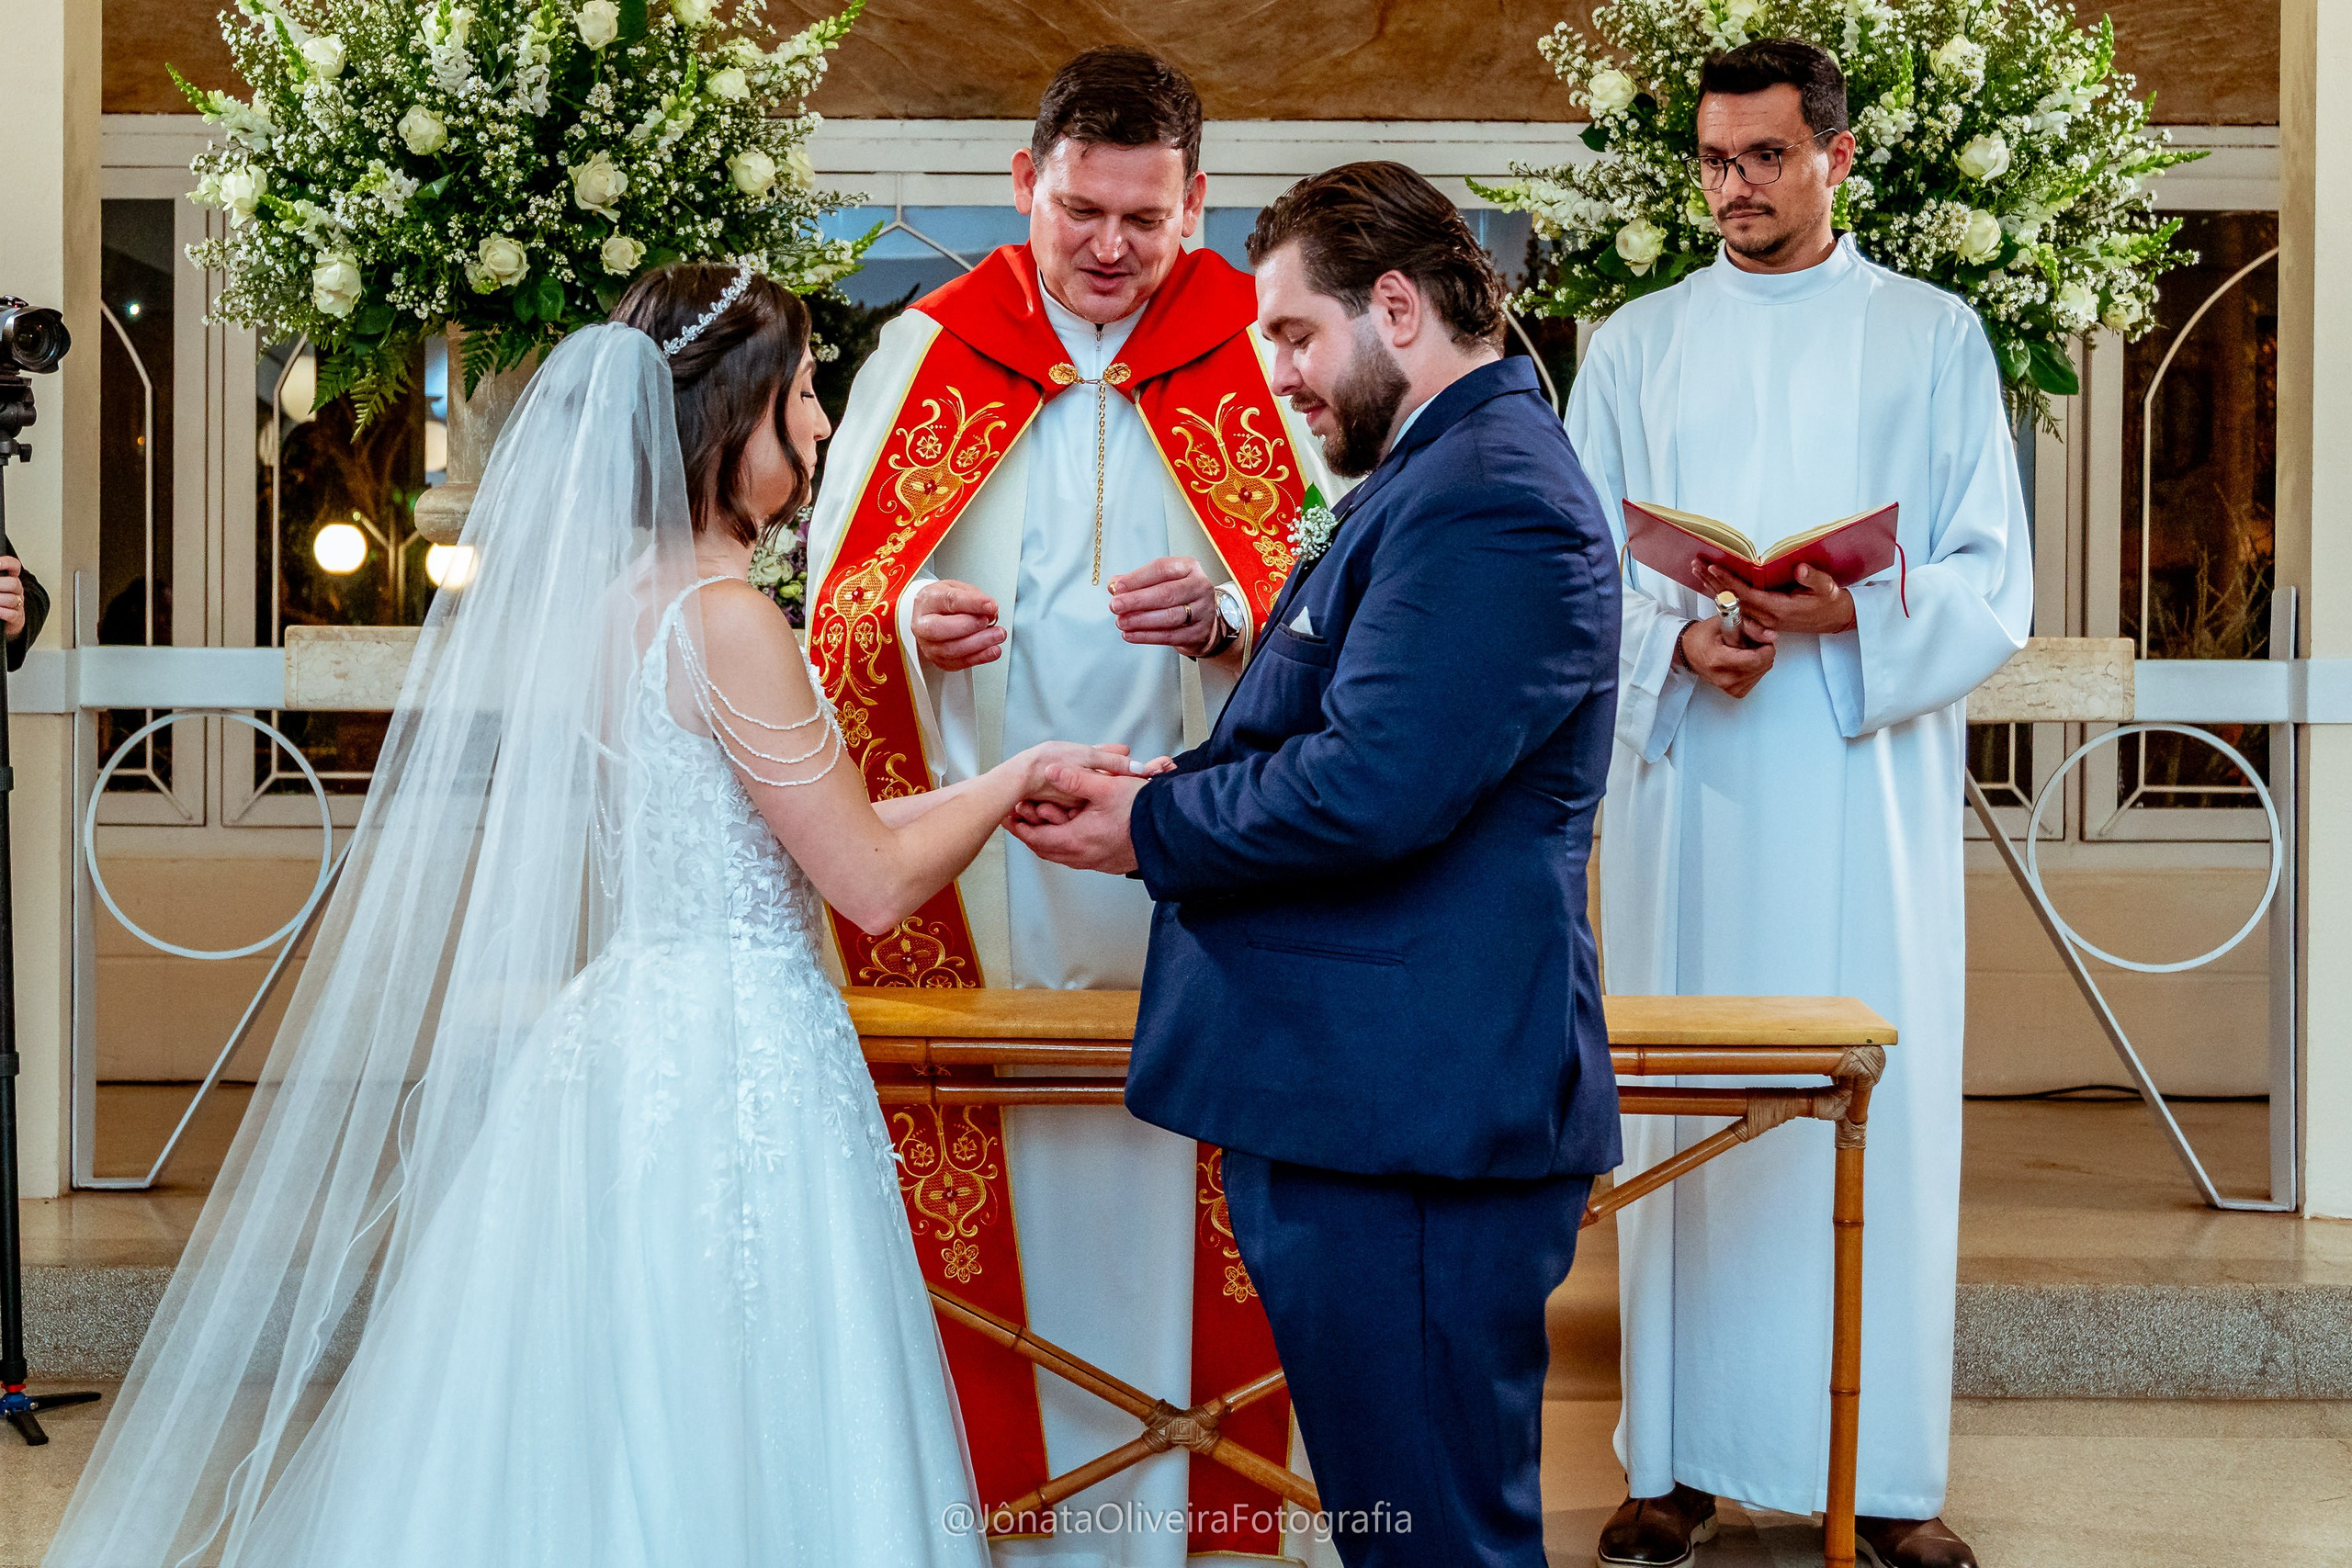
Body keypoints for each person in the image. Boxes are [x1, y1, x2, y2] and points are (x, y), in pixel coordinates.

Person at [39, 265, 1148, 1568]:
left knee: (601, 1391)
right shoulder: (730, 620)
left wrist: (987, 786)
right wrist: (1016, 781)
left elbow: (787, 833)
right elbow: (867, 881)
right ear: (735, 413)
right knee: (735, 1386)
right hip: (740, 1054)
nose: (821, 425)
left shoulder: (614, 610)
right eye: (804, 393)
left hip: (627, 1026)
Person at [1009, 162, 1623, 1568]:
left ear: (1395, 308)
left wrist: (1148, 831)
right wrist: (1170, 785)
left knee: (1433, 1538)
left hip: (1412, 1122)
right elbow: (1351, 735)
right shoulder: (1439, 472)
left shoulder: (1492, 496)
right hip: (1373, 1104)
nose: (1277, 374)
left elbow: (1372, 790)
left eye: (1293, 333)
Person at [804, 46, 1340, 1561]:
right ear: (1023, 185)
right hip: (988, 883)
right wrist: (910, 627)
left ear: (1198, 205)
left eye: (1145, 220)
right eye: (1081, 212)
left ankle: (1193, 1508)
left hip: (1194, 869)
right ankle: (1008, 1512)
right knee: (1013, 1159)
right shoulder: (926, 354)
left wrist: (1227, 623)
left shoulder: (1264, 354)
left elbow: (1345, 609)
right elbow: (834, 607)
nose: (1111, 248)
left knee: (1177, 1163)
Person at [1566, 39, 2031, 1568]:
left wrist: (1856, 615)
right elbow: (1579, 569)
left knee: (1870, 1105)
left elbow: (1991, 578)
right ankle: (1674, 1462)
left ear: (1837, 157)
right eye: (1715, 159)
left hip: (1859, 787)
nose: (1735, 187)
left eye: (1765, 157)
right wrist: (1674, 643)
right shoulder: (1636, 344)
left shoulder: (1934, 335)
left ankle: (1885, 1474)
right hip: (1694, 788)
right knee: (1686, 1099)